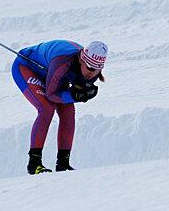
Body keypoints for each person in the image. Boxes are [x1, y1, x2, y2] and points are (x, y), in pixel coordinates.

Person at [11, 40, 108, 175]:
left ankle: (63, 163)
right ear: (81, 60)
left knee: (68, 111)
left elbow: (71, 89)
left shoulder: (91, 72)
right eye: (91, 68)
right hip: (27, 67)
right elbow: (51, 95)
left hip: (52, 73)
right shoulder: (62, 61)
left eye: (98, 69)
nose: (93, 73)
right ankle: (34, 163)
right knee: (46, 108)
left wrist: (81, 93)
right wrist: (76, 96)